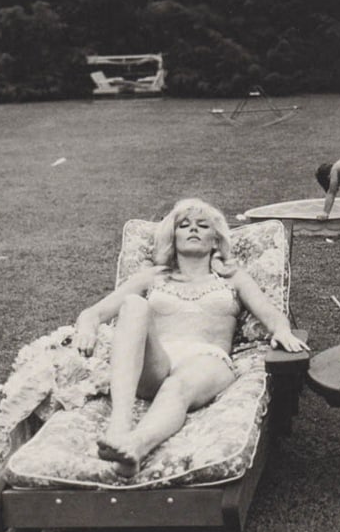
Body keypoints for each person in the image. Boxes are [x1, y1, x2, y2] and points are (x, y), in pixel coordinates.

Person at [73, 198, 306, 476]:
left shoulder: (232, 278)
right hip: (157, 360)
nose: (193, 229)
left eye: (202, 225)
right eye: (184, 225)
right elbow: (94, 313)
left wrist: (282, 330)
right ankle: (119, 426)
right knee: (133, 304)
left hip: (206, 360)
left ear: (215, 240)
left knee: (176, 386)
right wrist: (87, 328)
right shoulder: (153, 276)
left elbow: (272, 314)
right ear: (173, 237)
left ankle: (134, 447)